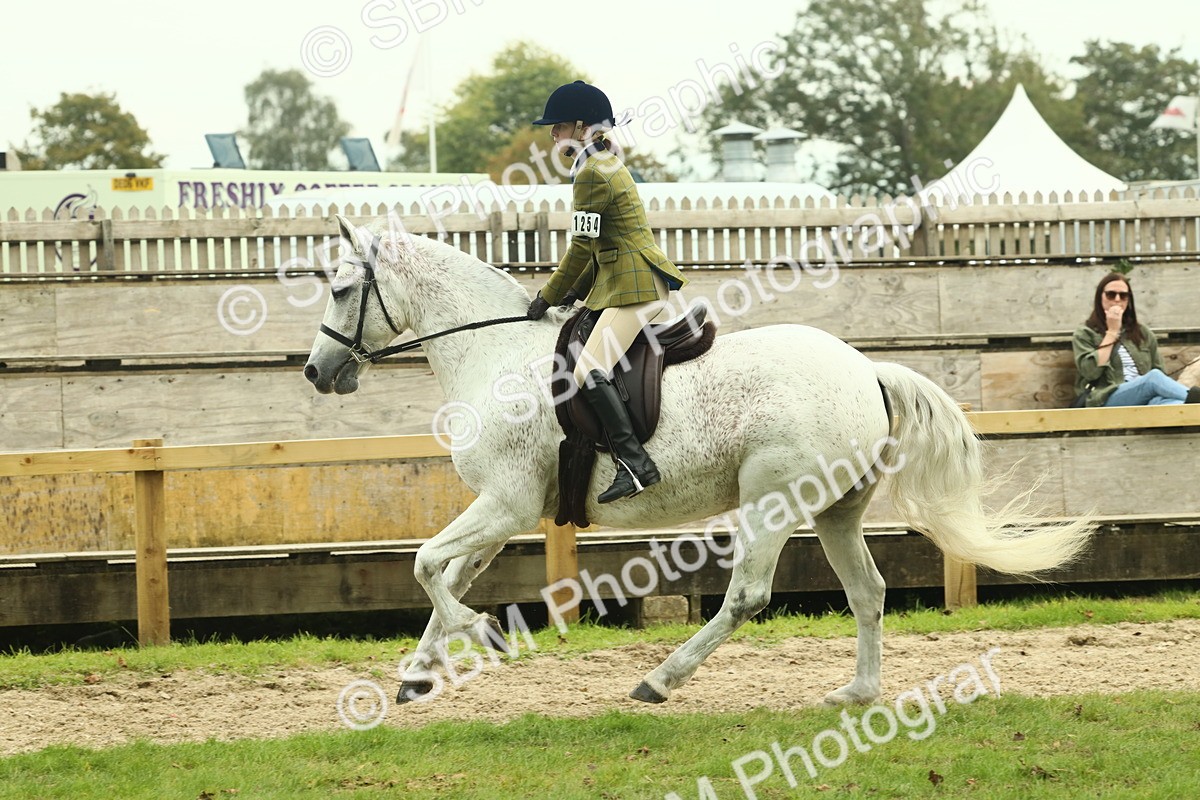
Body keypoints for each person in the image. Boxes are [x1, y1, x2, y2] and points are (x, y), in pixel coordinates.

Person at [526, 80, 689, 503]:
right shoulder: (601, 163)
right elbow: (600, 245)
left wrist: (548, 295)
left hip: (634, 288)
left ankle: (635, 463)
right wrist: (573, 293)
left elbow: (581, 247)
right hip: (622, 280)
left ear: (582, 127)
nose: (552, 134)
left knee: (586, 370)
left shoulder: (592, 173)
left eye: (559, 126)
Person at [1072, 272, 1200, 407]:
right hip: (1106, 397)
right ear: (1100, 298)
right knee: (1153, 377)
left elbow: (1160, 371)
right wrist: (1112, 332)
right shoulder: (1085, 333)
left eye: (1123, 295)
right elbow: (1090, 372)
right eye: (1111, 294)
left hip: (1145, 396)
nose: (1117, 299)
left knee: (1176, 404)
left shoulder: (1143, 333)